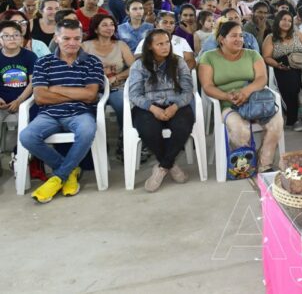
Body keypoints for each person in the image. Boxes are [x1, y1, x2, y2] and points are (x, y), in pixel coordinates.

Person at [19, 19, 105, 203]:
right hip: (49, 114)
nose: (72, 43)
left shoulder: (92, 62)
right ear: (56, 38)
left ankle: (58, 177)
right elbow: (40, 97)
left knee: (88, 130)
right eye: (66, 38)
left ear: (82, 38)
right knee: (27, 136)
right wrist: (76, 93)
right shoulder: (43, 62)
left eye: (77, 38)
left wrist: (57, 89)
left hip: (80, 113)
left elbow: (90, 95)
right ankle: (69, 171)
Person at [199, 21, 284, 172]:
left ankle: (264, 163)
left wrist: (246, 92)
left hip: (255, 101)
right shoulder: (209, 57)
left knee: (276, 123)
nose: (239, 39)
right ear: (221, 39)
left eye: (241, 36)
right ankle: (246, 162)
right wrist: (227, 96)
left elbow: (262, 79)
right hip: (228, 103)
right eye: (233, 36)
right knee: (240, 130)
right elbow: (207, 86)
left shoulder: (252, 54)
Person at [128, 29, 195, 192]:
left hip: (175, 104)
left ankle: (162, 167)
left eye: (167, 43)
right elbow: (134, 94)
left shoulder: (178, 62)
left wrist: (175, 106)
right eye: (160, 44)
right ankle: (170, 164)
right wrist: (153, 109)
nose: (165, 47)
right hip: (148, 106)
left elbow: (188, 90)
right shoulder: (139, 65)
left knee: (183, 125)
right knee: (149, 129)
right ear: (150, 46)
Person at [82, 14, 135, 156]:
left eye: (112, 24)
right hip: (93, 88)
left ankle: (125, 139)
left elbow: (134, 67)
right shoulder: (85, 46)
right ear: (96, 29)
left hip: (116, 86)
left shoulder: (121, 45)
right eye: (104, 25)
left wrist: (118, 76)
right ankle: (96, 143)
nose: (109, 28)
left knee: (122, 105)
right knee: (91, 108)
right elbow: (79, 69)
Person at [262, 10, 302, 132]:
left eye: (290, 20)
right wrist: (278, 65)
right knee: (292, 85)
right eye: (284, 19)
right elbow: (267, 57)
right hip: (283, 67)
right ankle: (293, 119)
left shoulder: (297, 34)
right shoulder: (271, 37)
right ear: (278, 20)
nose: (287, 23)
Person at [0, 20, 36, 122]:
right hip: (2, 102)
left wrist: (19, 101)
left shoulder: (30, 56)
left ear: (21, 38)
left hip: (24, 101)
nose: (12, 39)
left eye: (16, 35)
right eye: (6, 36)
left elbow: (33, 82)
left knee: (18, 123)